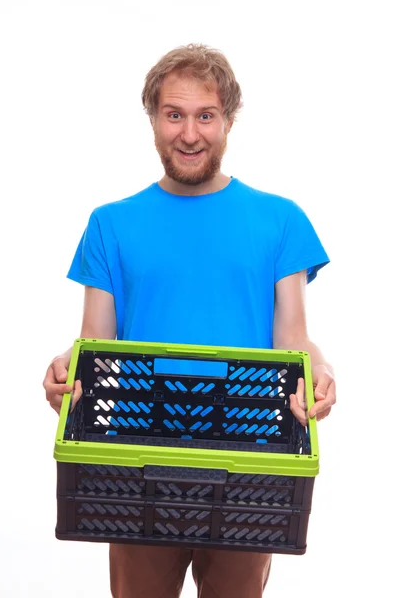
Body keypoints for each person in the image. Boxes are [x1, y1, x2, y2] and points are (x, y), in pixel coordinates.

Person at [43, 43, 336, 598]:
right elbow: (94, 343)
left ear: (229, 119)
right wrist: (65, 368)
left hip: (248, 457)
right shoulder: (110, 224)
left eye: (206, 115)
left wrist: (321, 370)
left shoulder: (280, 220)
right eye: (174, 114)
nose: (190, 133)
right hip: (137, 457)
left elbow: (293, 339)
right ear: (153, 117)